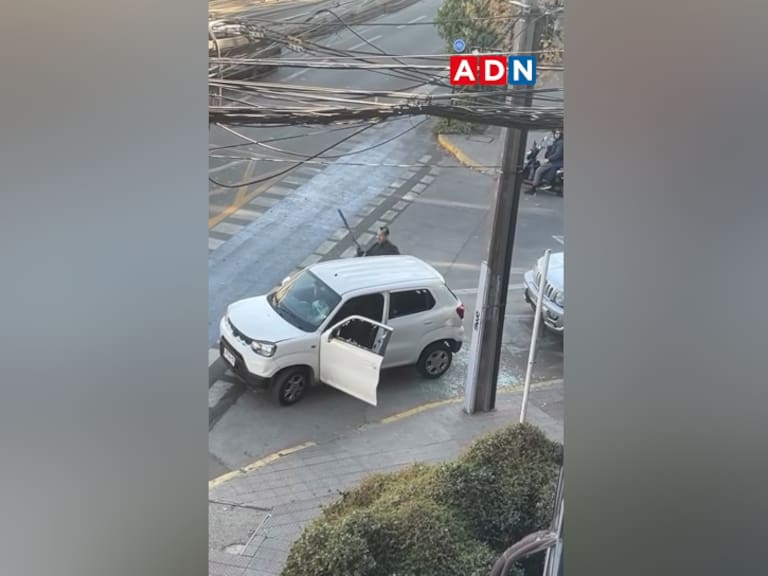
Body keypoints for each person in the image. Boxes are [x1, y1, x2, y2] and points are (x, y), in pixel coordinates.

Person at [527, 129, 563, 195]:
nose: (557, 135)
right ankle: (543, 182)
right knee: (541, 163)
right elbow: (550, 147)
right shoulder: (557, 141)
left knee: (538, 171)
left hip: (556, 162)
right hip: (556, 161)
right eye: (556, 133)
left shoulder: (561, 142)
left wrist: (549, 159)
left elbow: (558, 154)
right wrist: (542, 146)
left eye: (558, 133)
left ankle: (533, 189)